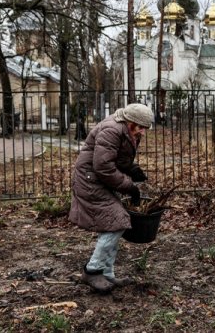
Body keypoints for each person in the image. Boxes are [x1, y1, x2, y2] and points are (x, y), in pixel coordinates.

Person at [69, 103, 153, 293]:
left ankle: (106, 274)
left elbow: (114, 158)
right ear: (131, 122)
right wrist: (129, 186)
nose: (143, 132)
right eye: (141, 127)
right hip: (91, 181)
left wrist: (131, 169)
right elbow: (103, 167)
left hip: (99, 180)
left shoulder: (127, 131)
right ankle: (92, 270)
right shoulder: (111, 130)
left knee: (113, 222)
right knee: (117, 221)